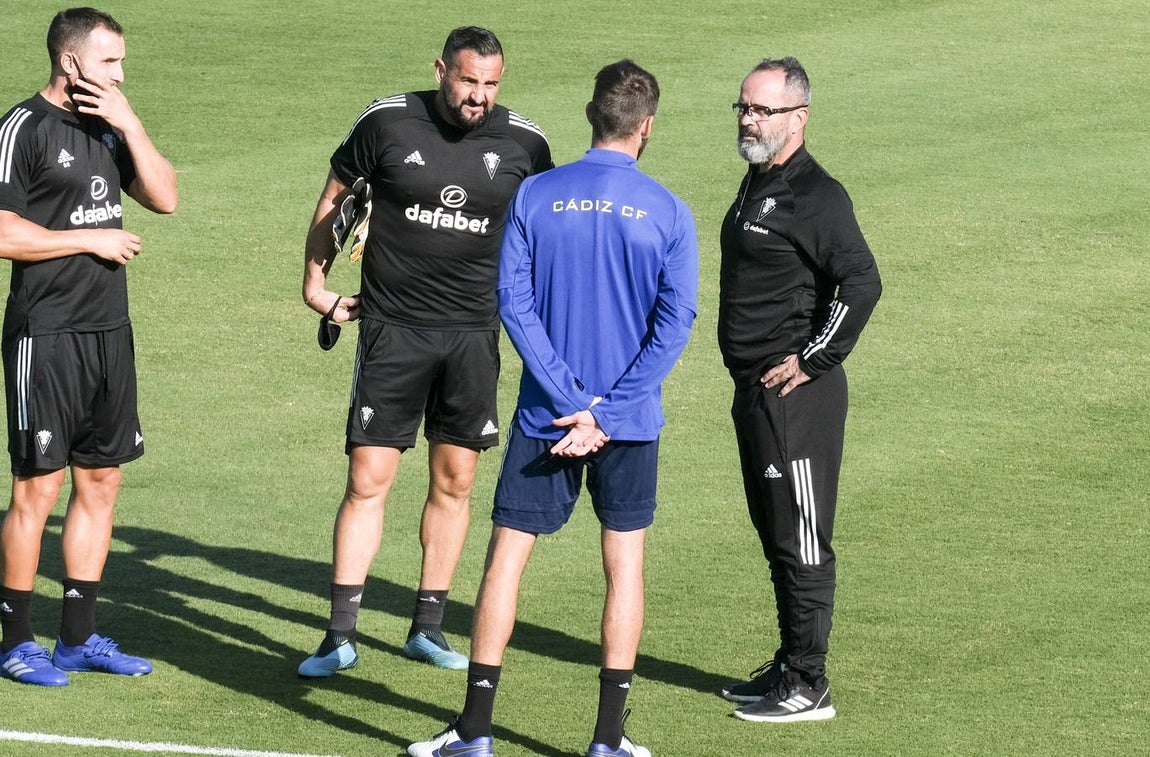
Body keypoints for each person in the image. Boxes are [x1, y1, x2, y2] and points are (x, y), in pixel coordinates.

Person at [409, 59, 698, 757]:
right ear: (646, 127)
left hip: (546, 419)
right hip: (627, 424)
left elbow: (515, 304)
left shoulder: (538, 195)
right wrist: (607, 410)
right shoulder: (669, 211)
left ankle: (475, 731)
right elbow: (675, 321)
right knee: (623, 564)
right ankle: (607, 739)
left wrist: (568, 399)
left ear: (591, 115)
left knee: (505, 560)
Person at [298, 27, 553, 677]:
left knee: (456, 480)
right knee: (368, 479)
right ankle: (338, 634)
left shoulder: (525, 142)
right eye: (469, 81)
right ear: (442, 69)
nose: (480, 96)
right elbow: (338, 203)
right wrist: (315, 285)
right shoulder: (387, 123)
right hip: (393, 331)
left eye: (492, 84)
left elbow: (545, 238)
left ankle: (428, 626)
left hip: (472, 335)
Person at [0, 7, 178, 687]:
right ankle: (16, 640)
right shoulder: (22, 130)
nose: (121, 73)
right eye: (110, 63)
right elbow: (2, 231)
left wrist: (130, 121)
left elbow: (164, 196)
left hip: (110, 332)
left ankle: (77, 636)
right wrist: (88, 239)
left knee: (101, 481)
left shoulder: (108, 127)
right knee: (37, 489)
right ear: (70, 62)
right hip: (45, 336)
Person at [716, 57, 881, 722]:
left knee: (804, 538)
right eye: (744, 107)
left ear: (799, 119)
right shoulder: (761, 180)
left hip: (796, 402)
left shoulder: (817, 195)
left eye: (764, 110)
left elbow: (862, 282)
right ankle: (789, 663)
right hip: (755, 393)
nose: (750, 119)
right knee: (776, 532)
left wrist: (815, 356)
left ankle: (810, 685)